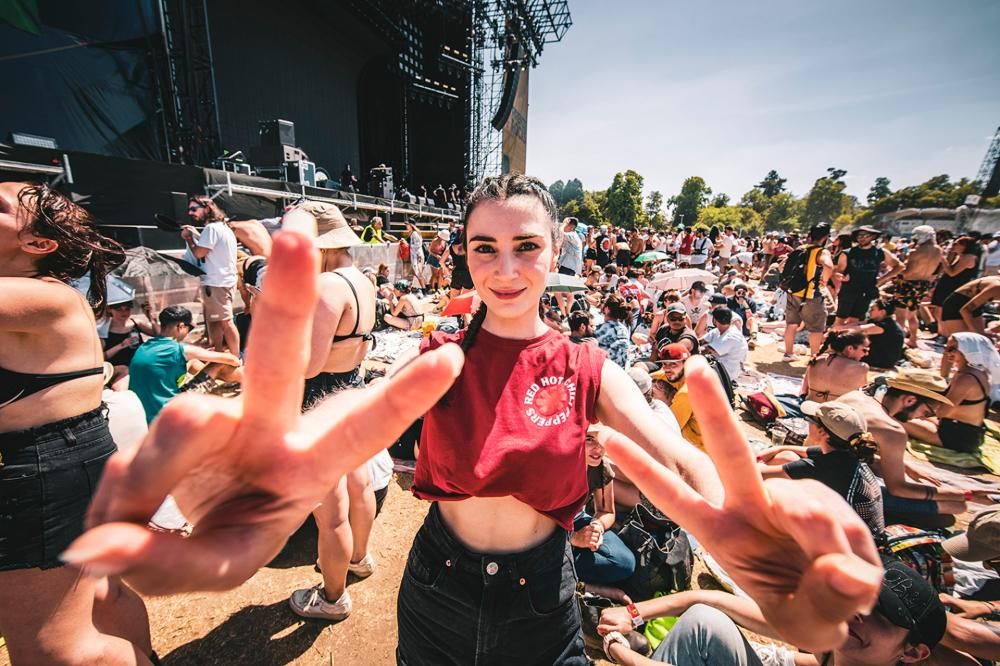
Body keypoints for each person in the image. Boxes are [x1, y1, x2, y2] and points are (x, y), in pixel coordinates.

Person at [69, 177, 886, 664]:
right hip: (438, 586)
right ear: (463, 253)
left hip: (544, 601)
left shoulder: (588, 367)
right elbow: (360, 413)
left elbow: (674, 449)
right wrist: (279, 462)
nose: (504, 267)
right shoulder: (439, 359)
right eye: (483, 247)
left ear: (555, 251)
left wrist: (741, 517)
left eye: (525, 246)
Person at [0, 181, 154, 665]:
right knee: (104, 592)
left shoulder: (42, 297)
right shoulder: (45, 294)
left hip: (44, 469)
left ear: (38, 243)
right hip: (72, 457)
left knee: (52, 650)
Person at [286, 201, 380, 621]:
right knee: (360, 482)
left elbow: (309, 365)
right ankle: (359, 558)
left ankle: (332, 597)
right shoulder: (363, 280)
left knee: (331, 511)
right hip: (351, 390)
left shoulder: (326, 287)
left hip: (320, 400)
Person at [598, 557, 948, 666]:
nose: (859, 613)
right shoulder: (835, 647)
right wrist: (634, 613)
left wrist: (618, 650)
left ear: (913, 652)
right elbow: (713, 601)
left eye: (883, 615)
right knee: (705, 622)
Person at [837, 371, 992, 523]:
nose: (922, 418)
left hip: (826, 472)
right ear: (910, 400)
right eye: (926, 412)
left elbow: (847, 449)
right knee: (956, 507)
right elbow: (898, 489)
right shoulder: (892, 431)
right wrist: (967, 494)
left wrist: (905, 466)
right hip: (842, 491)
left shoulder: (857, 396)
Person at [758, 400, 884, 533]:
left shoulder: (821, 467)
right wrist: (774, 450)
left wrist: (756, 458)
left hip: (843, 541)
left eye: (810, 419)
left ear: (822, 432)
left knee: (770, 493)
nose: (807, 422)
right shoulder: (848, 454)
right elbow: (792, 450)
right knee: (787, 457)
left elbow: (756, 473)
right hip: (861, 534)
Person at [129, 306, 240, 423]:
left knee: (193, 362)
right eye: (189, 328)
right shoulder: (179, 350)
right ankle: (247, 385)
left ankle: (219, 390)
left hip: (144, 414)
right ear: (181, 326)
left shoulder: (145, 346)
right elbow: (232, 360)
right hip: (170, 412)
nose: (187, 333)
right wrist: (234, 358)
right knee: (217, 365)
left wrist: (200, 353)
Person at [901, 333, 994, 452]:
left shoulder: (965, 379)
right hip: (968, 431)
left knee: (898, 415)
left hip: (957, 437)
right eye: (946, 347)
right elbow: (943, 376)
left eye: (952, 349)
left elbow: (942, 412)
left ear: (967, 351)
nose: (947, 352)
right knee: (913, 412)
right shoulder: (978, 372)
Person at [571, 428, 636, 587]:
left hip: (577, 520)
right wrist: (574, 539)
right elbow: (536, 526)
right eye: (589, 439)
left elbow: (606, 511)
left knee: (624, 563)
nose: (598, 448)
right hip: (548, 533)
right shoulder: (557, 467)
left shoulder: (600, 466)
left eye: (602, 439)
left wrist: (596, 527)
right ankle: (579, 583)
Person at [181, 195, 240, 354]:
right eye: (189, 210)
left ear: (207, 208)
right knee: (214, 321)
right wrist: (196, 235)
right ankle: (219, 352)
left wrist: (189, 239)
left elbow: (199, 253)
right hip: (220, 281)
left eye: (194, 209)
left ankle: (235, 358)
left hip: (217, 284)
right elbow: (213, 249)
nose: (190, 213)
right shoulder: (222, 227)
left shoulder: (211, 229)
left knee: (226, 322)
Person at [884, 225, 942, 347]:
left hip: (908, 284)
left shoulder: (916, 251)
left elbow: (908, 272)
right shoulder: (938, 250)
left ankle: (898, 341)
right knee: (912, 314)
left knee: (900, 315)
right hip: (923, 283)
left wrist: (898, 271)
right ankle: (913, 339)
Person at [783, 223, 834, 360]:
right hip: (811, 295)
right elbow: (828, 265)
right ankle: (814, 358)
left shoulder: (800, 249)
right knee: (816, 328)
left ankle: (788, 353)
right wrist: (825, 280)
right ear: (825, 237)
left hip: (793, 291)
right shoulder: (821, 252)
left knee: (791, 324)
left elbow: (784, 266)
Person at [835, 226, 901, 326]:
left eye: (865, 235)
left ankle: (849, 336)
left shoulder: (880, 252)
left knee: (855, 321)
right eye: (859, 236)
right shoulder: (847, 253)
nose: (862, 238)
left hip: (867, 291)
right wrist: (841, 277)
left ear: (873, 237)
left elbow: (899, 266)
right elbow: (837, 272)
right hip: (849, 290)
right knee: (840, 319)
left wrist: (882, 279)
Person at [101, 297, 159, 390]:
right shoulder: (104, 330)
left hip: (139, 365)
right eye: (119, 309)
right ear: (110, 309)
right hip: (121, 370)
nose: (124, 312)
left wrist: (151, 318)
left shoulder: (135, 322)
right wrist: (121, 345)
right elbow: (101, 357)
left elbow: (159, 335)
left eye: (127, 309)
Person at [833, 298, 906, 370]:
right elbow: (858, 324)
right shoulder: (877, 320)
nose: (869, 311)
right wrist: (840, 327)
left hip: (884, 360)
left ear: (882, 312)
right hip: (877, 352)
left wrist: (838, 330)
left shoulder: (886, 325)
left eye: (872, 309)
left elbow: (860, 330)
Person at [801, 330, 871, 403]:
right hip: (836, 409)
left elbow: (803, 391)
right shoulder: (860, 368)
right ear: (850, 348)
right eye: (864, 350)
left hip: (810, 406)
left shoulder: (816, 360)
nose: (866, 354)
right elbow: (863, 395)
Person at [932, 235, 981, 331]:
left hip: (955, 286)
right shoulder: (959, 256)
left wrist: (942, 258)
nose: (953, 246)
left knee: (943, 311)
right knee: (938, 310)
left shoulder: (968, 257)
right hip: (948, 285)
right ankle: (941, 332)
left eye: (956, 244)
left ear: (964, 246)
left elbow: (952, 273)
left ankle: (945, 333)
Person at [702, 307, 748, 380]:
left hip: (728, 372)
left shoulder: (731, 336)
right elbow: (701, 341)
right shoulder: (718, 330)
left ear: (714, 320)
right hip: (719, 366)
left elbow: (706, 350)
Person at [555, 217, 583, 315]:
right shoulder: (572, 237)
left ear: (571, 227)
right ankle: (567, 312)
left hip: (568, 266)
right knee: (567, 292)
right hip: (569, 266)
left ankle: (564, 313)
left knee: (558, 290)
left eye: (567, 225)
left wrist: (564, 223)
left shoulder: (573, 235)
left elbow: (559, 233)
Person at [596, 292, 631, 368]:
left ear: (607, 309)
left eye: (603, 303)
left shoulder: (601, 329)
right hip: (622, 369)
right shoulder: (624, 329)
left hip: (606, 369)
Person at [405, 221, 427, 289]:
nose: (406, 226)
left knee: (418, 273)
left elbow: (417, 245)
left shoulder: (414, 233)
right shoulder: (413, 233)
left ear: (411, 225)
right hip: (417, 255)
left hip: (417, 256)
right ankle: (423, 288)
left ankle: (424, 289)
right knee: (416, 273)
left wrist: (407, 244)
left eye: (407, 224)